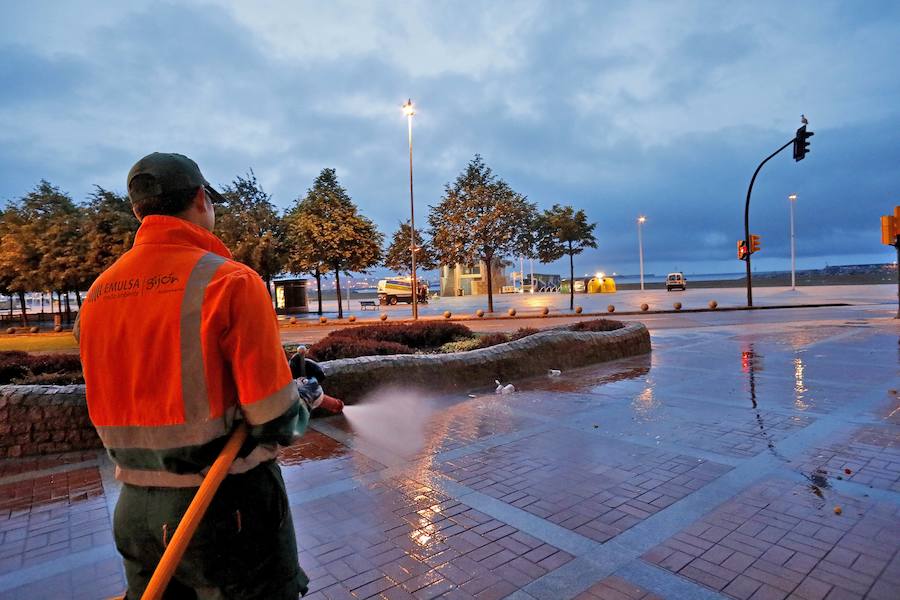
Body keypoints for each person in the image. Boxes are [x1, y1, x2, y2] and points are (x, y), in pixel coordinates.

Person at [76, 152, 319, 599]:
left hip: (134, 512)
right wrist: (302, 398)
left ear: (140, 211)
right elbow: (274, 418)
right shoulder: (231, 282)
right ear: (201, 199)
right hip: (224, 508)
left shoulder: (97, 295)